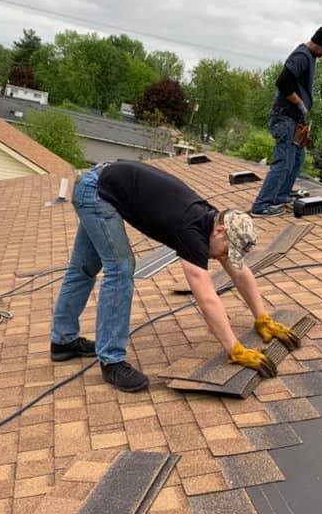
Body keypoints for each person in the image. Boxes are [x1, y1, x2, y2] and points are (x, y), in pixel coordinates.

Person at [50, 160, 300, 392]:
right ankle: (112, 362)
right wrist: (234, 348)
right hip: (96, 193)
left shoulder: (213, 221)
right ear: (221, 231)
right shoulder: (191, 232)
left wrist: (262, 317)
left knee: (83, 268)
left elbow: (238, 270)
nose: (222, 258)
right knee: (121, 268)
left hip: (101, 183)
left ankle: (63, 342)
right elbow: (207, 299)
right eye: (226, 251)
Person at [251, 25, 322, 217]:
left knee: (296, 160)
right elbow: (283, 82)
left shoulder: (311, 57)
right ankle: (261, 206)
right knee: (283, 162)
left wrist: (304, 115)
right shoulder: (301, 56)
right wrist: (300, 104)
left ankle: (280, 197)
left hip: (295, 120)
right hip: (284, 117)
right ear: (321, 43)